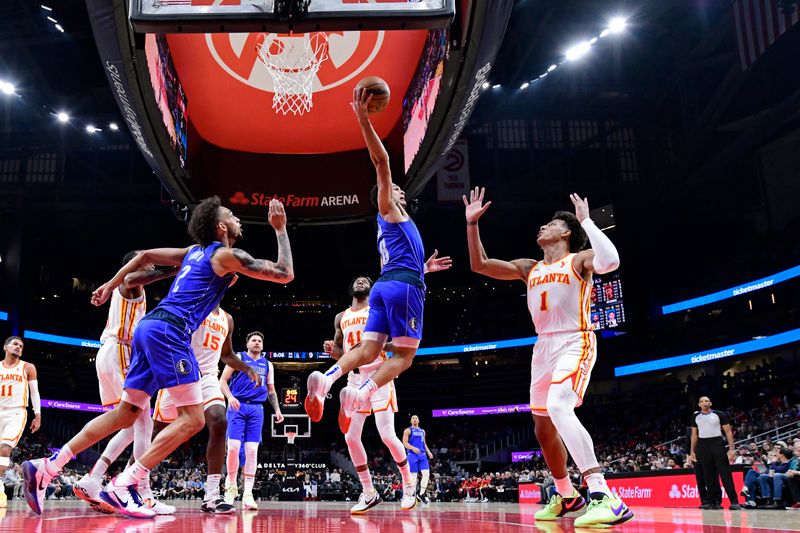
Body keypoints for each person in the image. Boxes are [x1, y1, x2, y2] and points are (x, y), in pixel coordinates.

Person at [23, 196, 294, 517]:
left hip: (148, 328)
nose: (237, 218)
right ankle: (124, 484)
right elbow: (285, 273)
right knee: (193, 419)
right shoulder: (227, 254)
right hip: (171, 333)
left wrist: (110, 285)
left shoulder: (193, 253)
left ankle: (48, 466)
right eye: (231, 215)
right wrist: (280, 229)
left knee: (126, 415)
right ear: (221, 227)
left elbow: (146, 255)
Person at [463, 187, 633, 527]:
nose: (542, 228)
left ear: (566, 233)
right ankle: (567, 494)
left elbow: (611, 261)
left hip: (575, 340)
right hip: (542, 348)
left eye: (550, 224)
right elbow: (480, 265)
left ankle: (604, 495)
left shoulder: (580, 259)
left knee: (558, 406)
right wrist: (471, 225)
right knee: (542, 427)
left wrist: (587, 221)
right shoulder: (531, 267)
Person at [305, 88, 451, 428]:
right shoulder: (389, 208)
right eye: (396, 188)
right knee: (405, 356)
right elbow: (381, 162)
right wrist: (363, 119)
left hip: (386, 285)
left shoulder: (395, 223)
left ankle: (328, 380)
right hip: (401, 286)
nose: (399, 189)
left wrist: (424, 268)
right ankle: (363, 392)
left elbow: (401, 259)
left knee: (370, 350)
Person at [324, 276, 448, 514]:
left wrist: (376, 345)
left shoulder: (378, 309)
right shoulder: (341, 317)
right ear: (350, 288)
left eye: (364, 280)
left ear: (371, 287)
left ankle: (409, 485)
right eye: (356, 281)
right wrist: (333, 350)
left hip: (379, 374)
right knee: (350, 438)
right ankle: (369, 492)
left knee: (388, 435)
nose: (360, 282)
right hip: (354, 376)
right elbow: (342, 354)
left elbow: (398, 343)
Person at [74, 251, 178, 515]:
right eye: (149, 263)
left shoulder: (131, 288)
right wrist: (177, 269)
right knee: (144, 422)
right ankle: (140, 492)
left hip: (112, 352)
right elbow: (135, 275)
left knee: (129, 424)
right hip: (120, 351)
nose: (153, 266)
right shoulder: (128, 282)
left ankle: (94, 478)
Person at [152, 305, 259, 514]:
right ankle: (131, 484)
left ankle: (211, 495)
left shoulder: (227, 319)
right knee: (156, 432)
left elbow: (227, 354)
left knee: (220, 421)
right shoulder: (192, 304)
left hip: (208, 377)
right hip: (181, 372)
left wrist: (246, 368)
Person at [220, 331, 284, 510]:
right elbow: (223, 381)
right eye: (254, 340)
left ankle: (248, 494)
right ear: (247, 344)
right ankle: (231, 487)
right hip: (237, 406)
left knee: (252, 451)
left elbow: (271, 391)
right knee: (232, 448)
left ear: (262, 346)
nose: (257, 343)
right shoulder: (238, 358)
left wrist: (278, 410)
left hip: (257, 409)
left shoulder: (267, 365)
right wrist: (230, 397)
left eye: (260, 341)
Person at [0, 337, 41, 509]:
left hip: (17, 412)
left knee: (4, 448)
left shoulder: (27, 367)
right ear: (5, 347)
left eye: (21, 346)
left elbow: (34, 393)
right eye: (15, 344)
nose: (18, 347)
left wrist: (37, 415)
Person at [689, 396, 741, 509]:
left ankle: (734, 500)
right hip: (703, 445)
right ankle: (715, 501)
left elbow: (728, 432)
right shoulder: (695, 416)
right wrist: (692, 450)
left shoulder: (719, 414)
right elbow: (694, 434)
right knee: (709, 475)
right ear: (699, 404)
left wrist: (732, 449)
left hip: (717, 443)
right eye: (702, 401)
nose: (704, 403)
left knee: (725, 472)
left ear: (710, 403)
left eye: (706, 401)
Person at [402, 415, 434, 505]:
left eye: (416, 418)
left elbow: (424, 443)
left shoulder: (422, 431)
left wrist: (429, 452)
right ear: (411, 421)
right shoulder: (408, 430)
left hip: (422, 455)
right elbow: (404, 443)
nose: (415, 419)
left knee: (426, 474)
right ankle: (412, 495)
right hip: (412, 455)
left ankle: (421, 494)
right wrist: (412, 448)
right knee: (413, 477)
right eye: (413, 418)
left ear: (418, 420)